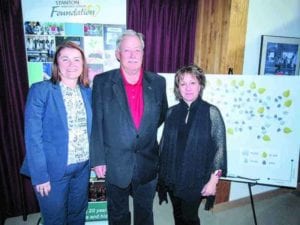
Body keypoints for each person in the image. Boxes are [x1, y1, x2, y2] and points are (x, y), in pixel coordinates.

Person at [90, 29, 168, 225]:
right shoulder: (102, 82)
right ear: (118, 54)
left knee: (145, 212)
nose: (133, 55)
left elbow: (161, 115)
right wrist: (98, 159)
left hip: (147, 161)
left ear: (143, 53)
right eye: (127, 51)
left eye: (137, 50)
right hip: (115, 162)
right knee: (118, 214)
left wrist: (140, 134)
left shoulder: (158, 82)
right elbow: (96, 123)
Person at [20, 41, 92, 225]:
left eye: (77, 59)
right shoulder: (41, 91)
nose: (71, 64)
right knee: (55, 220)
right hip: (52, 172)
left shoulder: (87, 92)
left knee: (78, 215)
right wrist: (40, 175)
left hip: (82, 169)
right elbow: (32, 137)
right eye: (65, 59)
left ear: (83, 65)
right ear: (56, 64)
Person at [158, 64, 227, 225]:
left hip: (196, 179)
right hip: (173, 176)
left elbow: (220, 148)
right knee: (178, 215)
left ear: (200, 85)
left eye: (192, 83)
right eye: (183, 84)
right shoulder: (171, 112)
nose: (188, 88)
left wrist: (213, 181)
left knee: (190, 218)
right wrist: (160, 175)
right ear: (178, 88)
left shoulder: (211, 112)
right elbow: (164, 146)